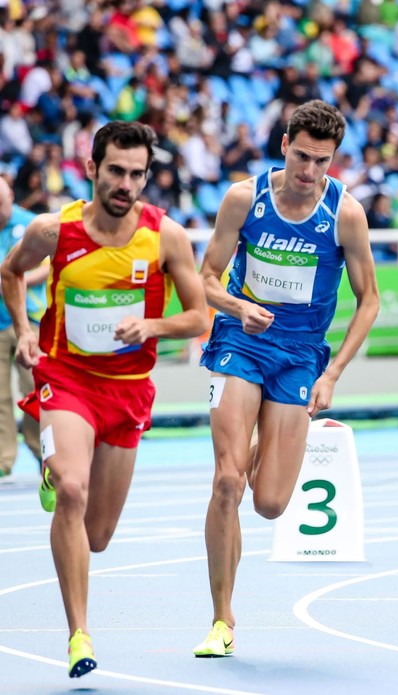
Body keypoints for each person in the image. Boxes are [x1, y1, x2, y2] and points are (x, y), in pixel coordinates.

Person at [0, 121, 210, 678]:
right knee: (72, 487)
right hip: (66, 379)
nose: (126, 183)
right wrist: (23, 329)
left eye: (137, 174)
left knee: (97, 536)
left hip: (127, 391)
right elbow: (10, 272)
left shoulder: (166, 237)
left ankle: (56, 473)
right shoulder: (53, 231)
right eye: (115, 170)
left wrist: (152, 326)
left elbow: (198, 318)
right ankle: (79, 635)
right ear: (92, 169)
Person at [194, 99, 380, 656]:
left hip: (301, 356)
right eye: (301, 157)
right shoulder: (243, 199)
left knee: (271, 502)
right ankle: (222, 618)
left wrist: (334, 374)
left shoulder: (345, 214)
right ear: (283, 146)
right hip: (240, 343)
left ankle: (256, 439)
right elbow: (204, 278)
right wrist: (235, 306)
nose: (309, 172)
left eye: (322, 162)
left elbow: (369, 300)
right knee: (228, 480)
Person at [0, 177, 45, 474]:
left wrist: (17, 279)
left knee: (37, 392)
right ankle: (3, 460)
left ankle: (46, 456)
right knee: (0, 396)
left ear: (11, 196)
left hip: (29, 322)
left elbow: (49, 264)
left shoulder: (33, 224)